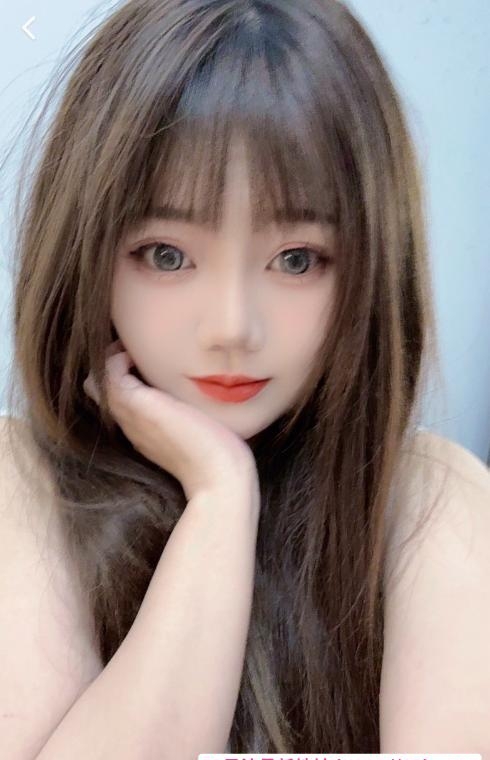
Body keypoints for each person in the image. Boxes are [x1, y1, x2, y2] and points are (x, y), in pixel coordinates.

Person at [1, 0, 489, 757]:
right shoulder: (21, 484)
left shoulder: (430, 501)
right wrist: (222, 499)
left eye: (296, 260)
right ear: (87, 252)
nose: (231, 326)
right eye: (166, 255)